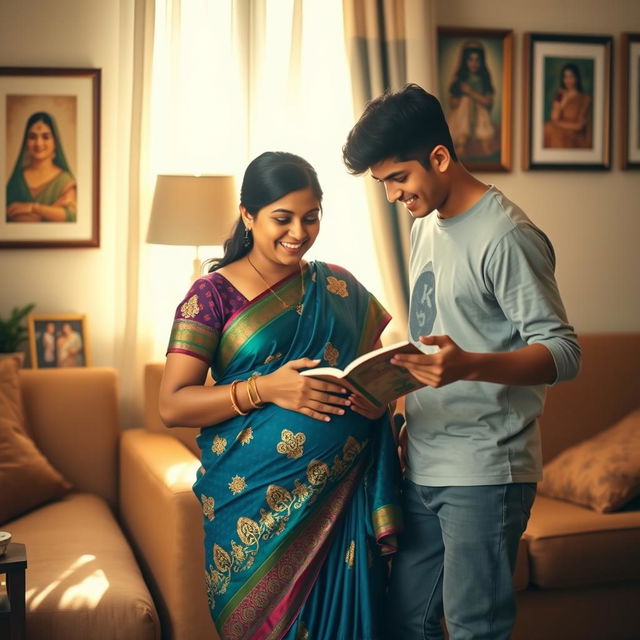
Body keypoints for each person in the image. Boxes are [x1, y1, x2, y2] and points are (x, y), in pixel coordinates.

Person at [342, 84, 581, 640]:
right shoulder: (424, 222)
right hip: (424, 459)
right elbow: (440, 337)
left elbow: (564, 352)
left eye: (398, 178)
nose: (393, 195)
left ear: (440, 158)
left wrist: (468, 365)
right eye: (383, 185)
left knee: (476, 628)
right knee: (407, 620)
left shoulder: (507, 236)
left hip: (485, 469)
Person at [159, 151, 402, 640]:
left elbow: (377, 378)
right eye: (282, 218)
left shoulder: (338, 285)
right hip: (250, 507)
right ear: (248, 215)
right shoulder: (211, 295)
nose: (299, 232)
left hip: (344, 500)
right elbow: (173, 404)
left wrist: (381, 403)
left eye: (310, 218)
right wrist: (267, 388)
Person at [6, 111, 77, 223]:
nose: (38, 143)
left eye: (45, 137)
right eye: (32, 137)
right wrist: (49, 212)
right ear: (26, 142)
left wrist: (33, 208)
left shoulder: (64, 181)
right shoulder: (17, 180)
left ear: (55, 143)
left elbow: (71, 217)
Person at [446, 41, 495, 158]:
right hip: (462, 115)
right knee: (465, 102)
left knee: (475, 104)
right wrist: (463, 96)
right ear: (465, 61)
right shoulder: (460, 79)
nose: (474, 63)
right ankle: (462, 143)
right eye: (470, 60)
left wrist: (470, 92)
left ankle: (483, 143)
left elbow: (488, 102)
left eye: (477, 60)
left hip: (479, 115)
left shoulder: (484, 79)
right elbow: (452, 103)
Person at [543, 63, 592, 149]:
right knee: (546, 128)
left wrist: (557, 123)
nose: (568, 80)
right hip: (558, 130)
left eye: (571, 76)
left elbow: (579, 126)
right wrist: (563, 102)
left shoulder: (585, 98)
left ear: (577, 77)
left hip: (574, 135)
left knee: (553, 131)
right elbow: (554, 117)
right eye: (565, 77)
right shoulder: (560, 95)